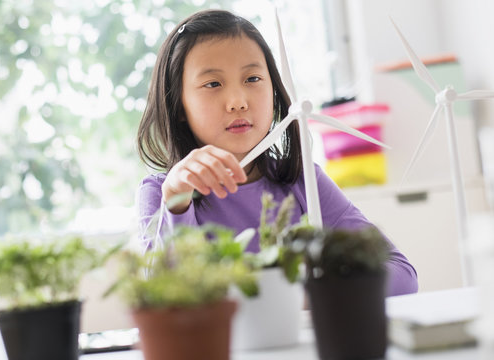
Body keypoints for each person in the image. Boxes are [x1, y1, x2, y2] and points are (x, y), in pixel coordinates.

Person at [136, 9, 418, 296]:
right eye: (213, 84)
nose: (237, 102)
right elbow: (163, 298)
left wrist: (312, 295)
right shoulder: (162, 192)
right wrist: (177, 203)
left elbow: (401, 274)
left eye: (252, 79)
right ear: (178, 106)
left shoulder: (301, 179)